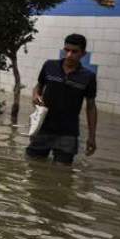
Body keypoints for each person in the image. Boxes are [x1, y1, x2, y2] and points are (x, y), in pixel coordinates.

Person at [27, 33, 97, 165]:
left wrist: (92, 137)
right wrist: (35, 95)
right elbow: (39, 86)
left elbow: (91, 106)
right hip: (43, 128)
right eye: (67, 50)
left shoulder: (88, 76)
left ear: (83, 53)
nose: (69, 55)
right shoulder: (49, 66)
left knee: (62, 173)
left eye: (74, 51)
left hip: (68, 133)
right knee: (33, 166)